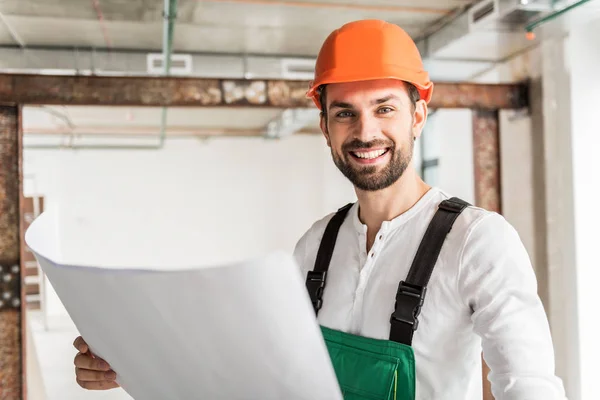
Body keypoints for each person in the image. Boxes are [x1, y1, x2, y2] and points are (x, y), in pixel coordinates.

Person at [72, 19, 567, 399]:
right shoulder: (316, 245)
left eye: (384, 108)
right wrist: (130, 361)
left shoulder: (477, 240)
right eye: (345, 112)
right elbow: (262, 368)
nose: (365, 131)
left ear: (417, 115)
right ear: (325, 126)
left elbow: (528, 383)